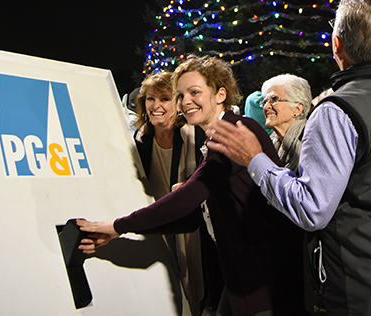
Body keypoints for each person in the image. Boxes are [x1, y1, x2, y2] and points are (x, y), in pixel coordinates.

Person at [206, 0, 371, 316]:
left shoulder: (337, 111)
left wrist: (254, 159)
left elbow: (311, 209)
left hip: (362, 294)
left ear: (337, 44)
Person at [78, 55, 305, 316]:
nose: (185, 101)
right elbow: (192, 218)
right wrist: (121, 231)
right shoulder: (212, 140)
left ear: (220, 94)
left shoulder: (236, 130)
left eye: (194, 92)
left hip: (265, 278)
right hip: (242, 276)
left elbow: (187, 198)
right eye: (180, 95)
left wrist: (118, 225)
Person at [133, 72, 206, 316]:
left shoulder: (195, 136)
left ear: (177, 103)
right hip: (158, 230)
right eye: (150, 99)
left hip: (196, 234)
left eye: (163, 98)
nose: (155, 106)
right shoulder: (140, 140)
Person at [259, 74, 312, 172]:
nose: (266, 107)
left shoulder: (309, 144)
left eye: (274, 99)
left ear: (297, 109)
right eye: (265, 101)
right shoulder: (272, 142)